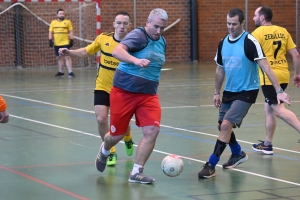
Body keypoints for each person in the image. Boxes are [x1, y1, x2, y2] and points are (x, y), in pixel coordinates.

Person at [197, 8, 291, 179]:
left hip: (247, 91)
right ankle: (237, 153)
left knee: (226, 125)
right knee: (221, 127)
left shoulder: (250, 41)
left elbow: (266, 66)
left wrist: (278, 90)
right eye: (228, 23)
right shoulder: (223, 42)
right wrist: (216, 92)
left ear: (242, 23)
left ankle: (211, 165)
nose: (230, 27)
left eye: (234, 24)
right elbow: (220, 70)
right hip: (229, 91)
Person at [94, 8, 168, 184]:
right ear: (148, 22)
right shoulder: (138, 36)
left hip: (148, 95)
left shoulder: (162, 41)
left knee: (152, 130)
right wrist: (136, 61)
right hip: (124, 93)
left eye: (162, 28)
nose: (158, 31)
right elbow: (117, 51)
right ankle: (105, 149)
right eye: (156, 26)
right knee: (116, 136)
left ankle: (136, 172)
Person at [58, 11, 134, 167]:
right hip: (102, 87)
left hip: (122, 89)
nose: (121, 26)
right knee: (101, 119)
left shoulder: (134, 43)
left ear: (129, 25)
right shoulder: (103, 39)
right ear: (114, 24)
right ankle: (110, 150)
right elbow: (86, 51)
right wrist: (69, 52)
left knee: (122, 123)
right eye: (119, 23)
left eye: (125, 23)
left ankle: (128, 138)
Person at [251, 6, 300, 155]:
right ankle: (267, 144)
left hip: (269, 78)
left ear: (262, 18)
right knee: (269, 108)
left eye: (255, 15)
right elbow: (296, 55)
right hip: (283, 75)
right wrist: (297, 73)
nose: (253, 18)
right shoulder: (283, 31)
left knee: (279, 111)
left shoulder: (256, 34)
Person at [49, 8, 75, 77]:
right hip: (57, 43)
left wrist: (71, 39)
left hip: (65, 42)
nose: (62, 15)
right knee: (59, 57)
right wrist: (50, 40)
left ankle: (70, 72)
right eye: (60, 14)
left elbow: (71, 31)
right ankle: (61, 71)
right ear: (57, 15)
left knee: (67, 57)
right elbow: (51, 32)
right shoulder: (53, 22)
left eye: (63, 13)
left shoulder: (68, 22)